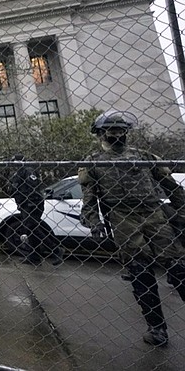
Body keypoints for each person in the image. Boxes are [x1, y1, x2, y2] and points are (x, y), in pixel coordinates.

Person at [79, 110, 185, 347]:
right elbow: (89, 196)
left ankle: (157, 328)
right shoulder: (94, 161)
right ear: (101, 134)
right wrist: (92, 220)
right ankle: (157, 328)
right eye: (112, 130)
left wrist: (182, 211)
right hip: (123, 216)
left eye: (120, 130)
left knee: (178, 265)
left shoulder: (144, 156)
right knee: (140, 272)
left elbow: (170, 185)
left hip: (153, 212)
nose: (117, 134)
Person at [8, 155, 62, 266]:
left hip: (32, 204)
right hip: (24, 205)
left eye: (15, 162)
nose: (13, 165)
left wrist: (29, 202)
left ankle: (55, 249)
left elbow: (32, 188)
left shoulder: (28, 171)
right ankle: (34, 257)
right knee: (29, 230)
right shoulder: (17, 173)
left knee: (32, 228)